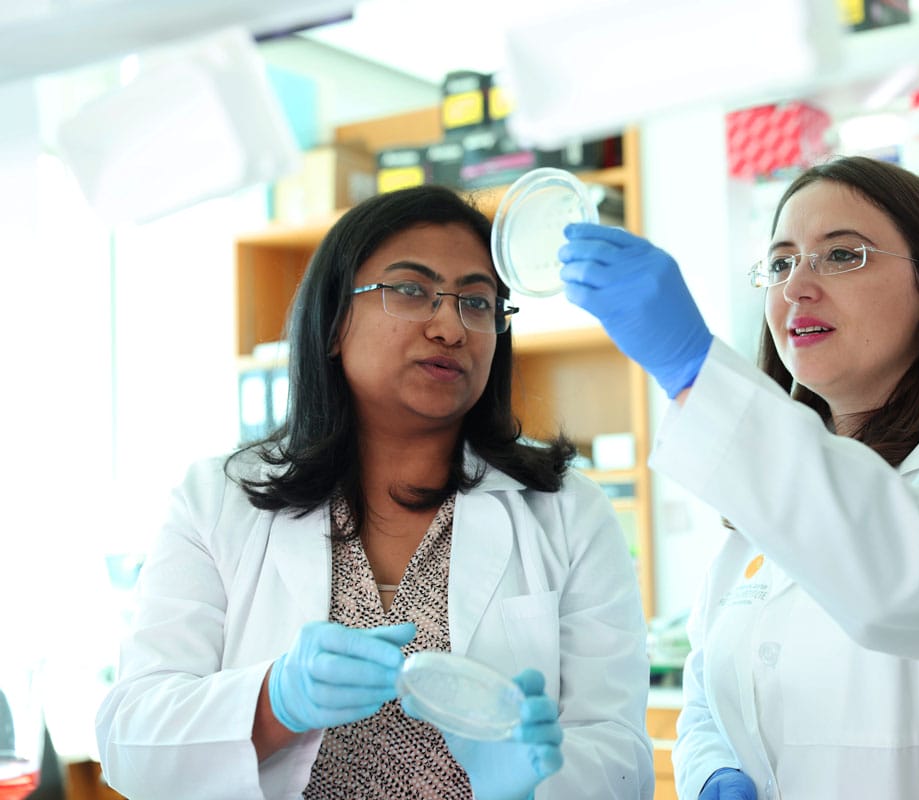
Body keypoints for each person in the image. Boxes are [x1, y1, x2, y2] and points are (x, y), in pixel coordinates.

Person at [95, 185, 654, 800]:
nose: (449, 326)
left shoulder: (567, 512)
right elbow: (129, 739)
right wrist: (274, 701)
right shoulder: (217, 502)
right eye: (411, 290)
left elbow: (622, 757)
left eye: (476, 302)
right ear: (333, 323)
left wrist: (535, 783)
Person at [559, 156, 919, 799]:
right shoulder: (755, 523)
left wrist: (697, 371)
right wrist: (715, 769)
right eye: (780, 263)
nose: (797, 286)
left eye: (841, 255)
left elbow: (905, 583)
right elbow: (709, 697)